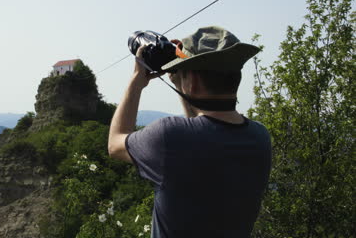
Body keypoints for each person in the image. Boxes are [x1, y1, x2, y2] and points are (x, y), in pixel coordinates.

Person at [108, 26, 272, 237]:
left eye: (184, 74)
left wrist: (136, 81)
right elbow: (205, 131)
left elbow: (115, 144)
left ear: (192, 82)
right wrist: (181, 81)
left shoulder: (169, 136)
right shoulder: (259, 138)